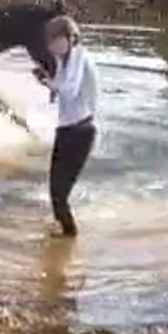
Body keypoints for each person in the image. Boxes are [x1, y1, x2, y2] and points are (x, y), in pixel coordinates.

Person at [31, 14, 99, 238]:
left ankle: (70, 238)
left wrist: (50, 83)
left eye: (54, 41)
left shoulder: (78, 55)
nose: (50, 47)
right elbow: (61, 90)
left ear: (69, 38)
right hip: (66, 129)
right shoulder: (64, 60)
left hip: (80, 131)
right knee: (54, 192)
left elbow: (68, 90)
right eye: (48, 41)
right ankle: (63, 242)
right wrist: (47, 82)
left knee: (60, 194)